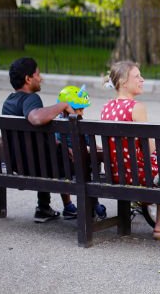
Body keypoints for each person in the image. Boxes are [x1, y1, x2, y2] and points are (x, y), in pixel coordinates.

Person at [100, 60, 160, 240]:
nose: (142, 79)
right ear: (122, 81)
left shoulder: (107, 107)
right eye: (137, 76)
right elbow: (151, 148)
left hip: (116, 173)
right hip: (137, 175)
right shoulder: (136, 108)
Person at [1, 57, 76, 223]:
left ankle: (43, 208)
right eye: (38, 74)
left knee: (49, 152)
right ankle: (77, 208)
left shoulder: (9, 101)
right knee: (77, 157)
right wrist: (62, 105)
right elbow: (35, 118)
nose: (41, 78)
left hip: (18, 163)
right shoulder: (31, 98)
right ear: (28, 79)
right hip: (37, 166)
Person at [54, 85, 107, 220]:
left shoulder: (55, 123)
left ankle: (68, 206)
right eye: (79, 109)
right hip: (77, 167)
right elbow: (90, 144)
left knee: (66, 170)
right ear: (68, 107)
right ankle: (94, 205)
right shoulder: (78, 124)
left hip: (60, 168)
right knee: (90, 167)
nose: (82, 113)